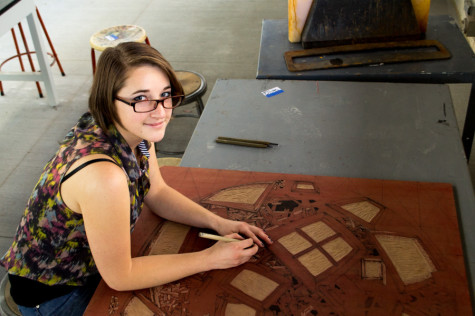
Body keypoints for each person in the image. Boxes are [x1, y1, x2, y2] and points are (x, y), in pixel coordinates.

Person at [0, 42, 272, 316]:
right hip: (55, 294)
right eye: (141, 98)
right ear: (109, 99)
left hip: (93, 267)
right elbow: (120, 277)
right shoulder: (104, 175)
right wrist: (209, 258)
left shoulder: (136, 133)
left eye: (165, 94)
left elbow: (156, 192)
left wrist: (219, 223)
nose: (160, 111)